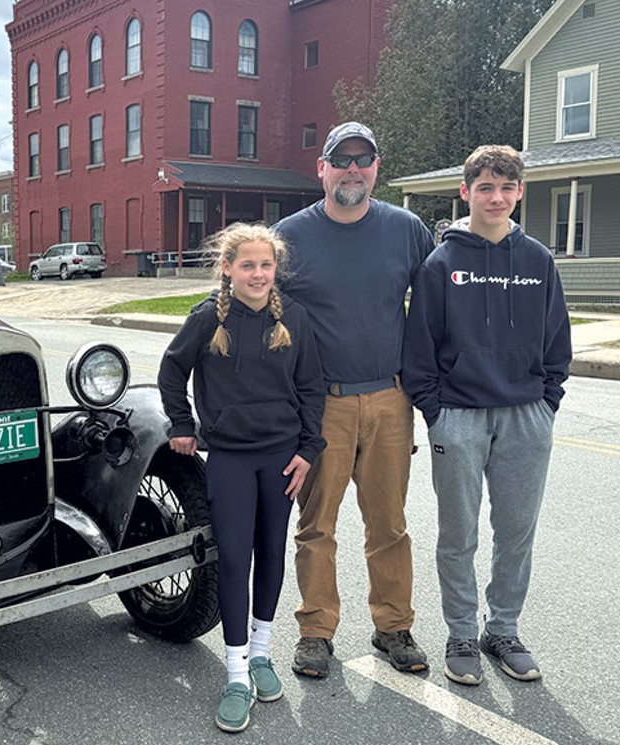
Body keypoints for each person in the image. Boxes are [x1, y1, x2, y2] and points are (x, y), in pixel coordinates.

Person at [402, 145, 571, 686]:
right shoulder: (441, 263)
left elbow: (557, 340)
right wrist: (437, 414)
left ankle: (502, 630)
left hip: (525, 415)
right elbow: (419, 350)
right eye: (485, 188)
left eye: (506, 188)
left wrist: (547, 403)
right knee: (459, 535)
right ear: (466, 192)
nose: (496, 198)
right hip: (460, 417)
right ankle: (460, 634)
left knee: (517, 531)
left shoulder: (538, 260)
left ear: (520, 192)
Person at [272, 121, 434, 678]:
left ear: (376, 169)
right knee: (317, 525)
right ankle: (316, 631)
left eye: (364, 160)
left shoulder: (407, 229)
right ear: (322, 167)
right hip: (323, 407)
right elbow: (259, 316)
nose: (353, 170)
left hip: (391, 400)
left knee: (388, 523)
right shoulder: (288, 237)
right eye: (342, 159)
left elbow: (437, 311)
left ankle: (394, 626)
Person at [158, 222, 326, 733]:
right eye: (247, 265)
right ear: (227, 269)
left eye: (266, 265)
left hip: (280, 459)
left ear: (276, 270)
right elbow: (171, 371)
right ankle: (235, 674)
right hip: (230, 458)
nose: (258, 273)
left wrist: (308, 450)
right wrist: (183, 427)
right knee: (234, 559)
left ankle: (260, 654)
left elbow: (313, 387)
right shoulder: (209, 317)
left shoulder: (293, 317)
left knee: (272, 553)